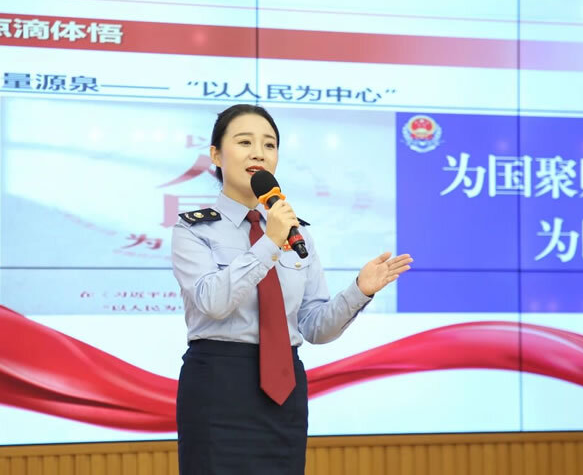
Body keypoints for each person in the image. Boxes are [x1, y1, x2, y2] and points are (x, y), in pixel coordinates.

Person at [171, 104, 413, 475]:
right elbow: (213, 302)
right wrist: (269, 243)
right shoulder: (193, 229)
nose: (258, 153)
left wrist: (359, 291)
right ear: (216, 155)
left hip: (284, 390)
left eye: (269, 145)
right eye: (245, 142)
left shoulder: (297, 233)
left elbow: (314, 327)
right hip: (217, 387)